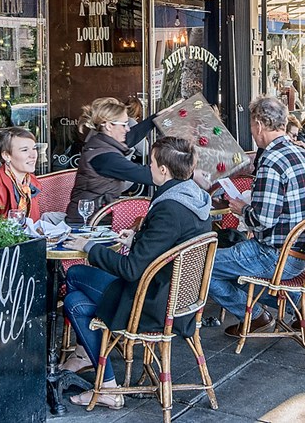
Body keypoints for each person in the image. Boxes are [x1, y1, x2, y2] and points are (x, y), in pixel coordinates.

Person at [60, 136, 212, 410]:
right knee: (75, 303)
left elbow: (130, 270)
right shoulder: (195, 197)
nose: (148, 167)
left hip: (154, 302)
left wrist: (89, 246)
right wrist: (138, 239)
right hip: (181, 299)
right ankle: (104, 379)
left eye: (151, 162)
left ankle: (98, 366)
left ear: (163, 170)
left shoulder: (168, 208)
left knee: (74, 276)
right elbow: (171, 242)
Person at [209, 96, 305, 337]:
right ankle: (299, 302)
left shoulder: (271, 160)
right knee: (232, 262)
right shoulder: (304, 154)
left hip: (276, 255)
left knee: (202, 267)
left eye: (251, 125)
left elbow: (263, 220)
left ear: (259, 125)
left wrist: (241, 209)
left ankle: (254, 316)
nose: (252, 131)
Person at [67, 97, 157, 224]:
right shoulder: (105, 157)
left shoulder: (100, 143)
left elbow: (132, 136)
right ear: (109, 126)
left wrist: (156, 118)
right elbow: (145, 175)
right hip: (87, 224)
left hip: (94, 218)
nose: (128, 129)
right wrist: (188, 174)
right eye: (124, 124)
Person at [0, 127, 42, 219]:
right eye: (24, 150)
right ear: (6, 156)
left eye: (34, 148)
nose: (33, 155)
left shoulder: (31, 183)